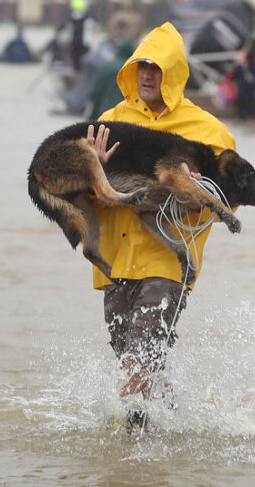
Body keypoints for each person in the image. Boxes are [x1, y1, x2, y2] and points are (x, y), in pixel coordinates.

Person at [88, 22, 237, 431]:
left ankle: (127, 454)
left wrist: (189, 193)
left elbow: (230, 194)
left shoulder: (208, 131)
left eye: (157, 67)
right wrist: (95, 173)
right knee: (137, 367)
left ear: (174, 72)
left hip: (168, 265)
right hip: (114, 267)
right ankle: (178, 426)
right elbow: (81, 197)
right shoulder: (109, 122)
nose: (148, 75)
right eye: (141, 66)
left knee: (136, 370)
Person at [86, 39, 134, 120]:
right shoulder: (132, 70)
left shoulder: (106, 67)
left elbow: (94, 91)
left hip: (101, 112)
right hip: (122, 116)